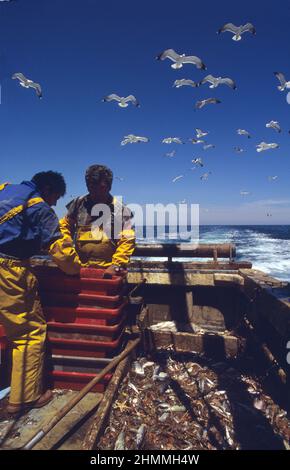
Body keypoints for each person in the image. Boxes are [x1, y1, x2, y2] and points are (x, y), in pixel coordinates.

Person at [0, 171, 80, 415]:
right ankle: (22, 399)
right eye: (55, 197)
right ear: (47, 189)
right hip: (8, 270)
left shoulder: (4, 189)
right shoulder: (38, 206)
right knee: (28, 333)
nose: (54, 204)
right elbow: (61, 253)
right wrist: (76, 268)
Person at [59, 164, 135, 277]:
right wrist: (67, 251)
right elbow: (64, 225)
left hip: (108, 271)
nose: (96, 193)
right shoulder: (78, 203)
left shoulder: (121, 209)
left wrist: (116, 265)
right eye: (92, 188)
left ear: (109, 187)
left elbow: (128, 238)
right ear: (87, 186)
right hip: (79, 269)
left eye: (101, 189)